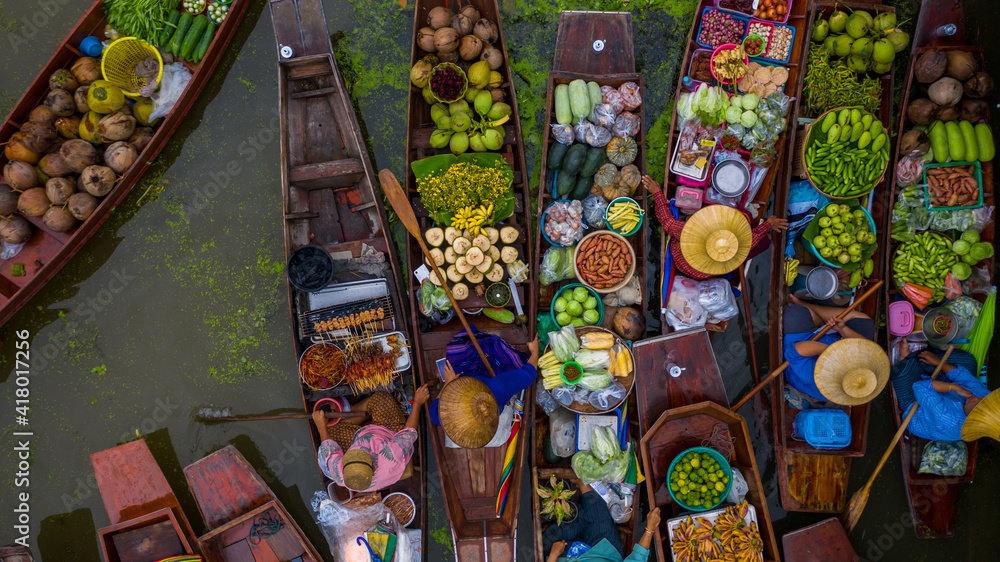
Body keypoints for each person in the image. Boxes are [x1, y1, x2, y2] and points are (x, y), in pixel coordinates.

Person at [642, 175, 787, 280]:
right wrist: (768, 224)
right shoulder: (732, 254)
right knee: (757, 232)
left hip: (687, 263)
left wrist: (657, 192)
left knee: (747, 223)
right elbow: (751, 240)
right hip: (697, 269)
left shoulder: (689, 233)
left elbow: (667, 221)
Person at [429, 331, 539, 448]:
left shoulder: (443, 417)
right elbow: (528, 375)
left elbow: (434, 408)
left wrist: (448, 383)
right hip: (495, 411)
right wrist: (535, 351)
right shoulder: (497, 387)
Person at [313, 384, 431, 493]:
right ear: (373, 464)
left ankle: (357, 410)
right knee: (382, 398)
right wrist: (417, 402)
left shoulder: (339, 475)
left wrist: (321, 426)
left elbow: (328, 450)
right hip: (390, 434)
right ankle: (364, 411)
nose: (358, 448)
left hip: (366, 435)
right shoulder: (392, 455)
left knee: (331, 431)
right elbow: (409, 431)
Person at [783, 295, 877, 402]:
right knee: (865, 322)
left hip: (801, 352)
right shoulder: (864, 368)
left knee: (794, 311)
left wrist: (832, 351)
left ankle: (815, 319)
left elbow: (795, 351)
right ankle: (810, 310)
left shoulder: (817, 379)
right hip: (833, 342)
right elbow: (863, 344)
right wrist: (843, 329)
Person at [544, 480, 660, 562]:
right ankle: (582, 485)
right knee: (600, 519)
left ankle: (576, 514)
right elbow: (638, 558)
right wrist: (650, 529)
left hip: (567, 557)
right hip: (604, 552)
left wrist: (554, 555)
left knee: (551, 535)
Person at [891, 350, 989, 441]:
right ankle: (917, 361)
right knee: (969, 361)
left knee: (902, 374)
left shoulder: (946, 417)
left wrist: (955, 387)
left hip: (916, 406)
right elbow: (964, 377)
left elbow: (919, 386)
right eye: (982, 399)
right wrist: (938, 362)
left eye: (975, 405)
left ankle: (905, 360)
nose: (976, 398)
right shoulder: (987, 397)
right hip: (942, 393)